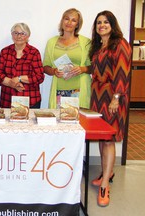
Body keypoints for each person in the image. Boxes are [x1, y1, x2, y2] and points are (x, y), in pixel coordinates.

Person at [89, 11, 132, 207]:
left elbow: (122, 71)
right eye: (98, 23)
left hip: (113, 95)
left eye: (106, 22)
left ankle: (105, 184)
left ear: (113, 25)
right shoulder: (99, 46)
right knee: (101, 135)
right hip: (97, 96)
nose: (102, 25)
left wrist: (116, 97)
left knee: (109, 139)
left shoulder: (120, 44)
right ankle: (108, 171)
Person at [43, 8, 91, 109]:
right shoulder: (51, 42)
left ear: (77, 24)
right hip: (59, 90)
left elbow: (93, 67)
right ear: (62, 21)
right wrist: (53, 71)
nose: (69, 22)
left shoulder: (86, 42)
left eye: (73, 20)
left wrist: (82, 69)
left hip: (80, 91)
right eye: (66, 19)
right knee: (58, 121)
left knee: (79, 122)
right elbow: (45, 66)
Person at [0, 22, 44, 108]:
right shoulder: (4, 52)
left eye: (23, 33)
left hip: (30, 101)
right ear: (12, 35)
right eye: (16, 33)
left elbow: (39, 77)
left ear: (28, 36)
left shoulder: (34, 53)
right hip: (7, 100)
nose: (19, 36)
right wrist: (12, 83)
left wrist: (20, 78)